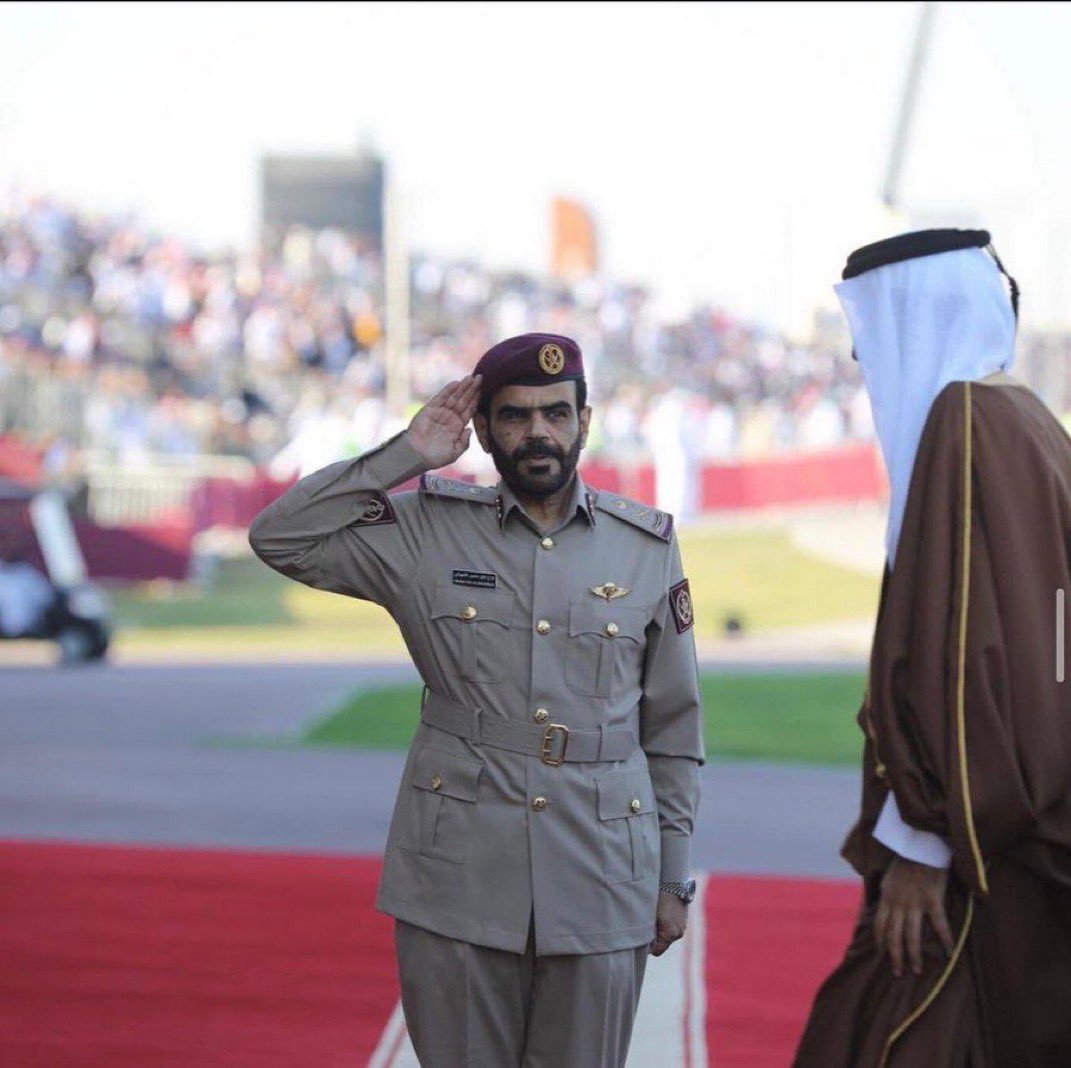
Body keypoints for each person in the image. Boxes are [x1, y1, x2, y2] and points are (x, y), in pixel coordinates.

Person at [248, 333, 705, 1067]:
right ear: (484, 431)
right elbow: (280, 537)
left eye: (556, 413)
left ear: (584, 422)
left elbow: (674, 727)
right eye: (515, 416)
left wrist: (672, 876)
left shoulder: (644, 547)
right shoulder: (426, 530)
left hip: (601, 875)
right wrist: (407, 454)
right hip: (458, 873)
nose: (538, 433)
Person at [794, 230, 1071, 1067]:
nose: (859, 357)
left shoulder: (965, 423)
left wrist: (923, 843)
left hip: (966, 853)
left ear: (916, 318)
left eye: (871, 332)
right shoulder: (1028, 421)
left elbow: (972, 662)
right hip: (1011, 828)